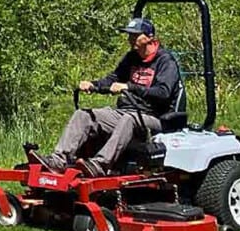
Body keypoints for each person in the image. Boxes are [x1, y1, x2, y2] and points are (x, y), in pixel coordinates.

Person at [30, 17, 184, 177]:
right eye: (129, 35)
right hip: (126, 112)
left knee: (129, 120)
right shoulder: (131, 57)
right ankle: (58, 160)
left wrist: (129, 87)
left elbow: (163, 93)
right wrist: (93, 84)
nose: (130, 39)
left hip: (153, 117)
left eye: (135, 35)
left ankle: (100, 164)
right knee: (84, 115)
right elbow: (113, 79)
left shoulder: (165, 61)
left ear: (150, 37)